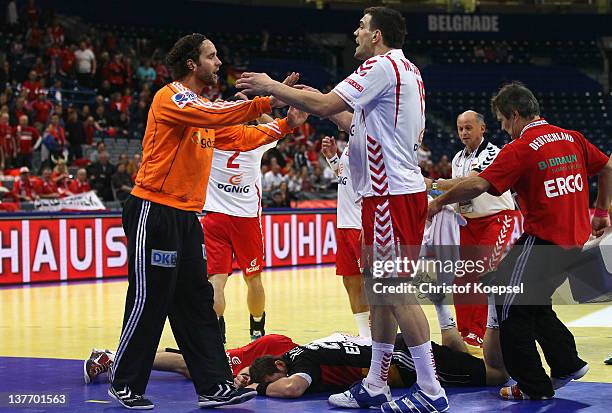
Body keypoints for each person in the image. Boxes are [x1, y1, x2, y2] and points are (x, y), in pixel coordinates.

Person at [237, 7, 448, 412]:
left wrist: (271, 86)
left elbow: (327, 105)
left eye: (362, 26)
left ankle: (431, 389)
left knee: (395, 291)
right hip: (384, 194)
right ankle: (376, 381)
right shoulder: (405, 70)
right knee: (379, 292)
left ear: (377, 36)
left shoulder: (380, 66)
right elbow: (348, 116)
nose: (356, 31)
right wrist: (312, 99)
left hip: (390, 194)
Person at [108, 33, 306, 410]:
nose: (218, 63)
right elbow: (217, 115)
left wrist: (285, 124)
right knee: (150, 297)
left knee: (197, 301)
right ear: (191, 64)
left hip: (185, 216)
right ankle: (124, 380)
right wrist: (270, 99)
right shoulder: (173, 98)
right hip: (154, 210)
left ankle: (215, 385)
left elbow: (239, 136)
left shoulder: (200, 109)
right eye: (211, 57)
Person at [427, 82, 611, 401]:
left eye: (501, 120)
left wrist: (437, 202)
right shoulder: (571, 137)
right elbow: (607, 166)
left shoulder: (521, 148)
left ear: (514, 115)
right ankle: (566, 363)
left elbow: (478, 186)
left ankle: (532, 385)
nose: (502, 128)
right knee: (532, 301)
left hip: (543, 240)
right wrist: (601, 212)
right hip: (575, 238)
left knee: (508, 302)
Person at [204, 89, 300, 343]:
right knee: (253, 277)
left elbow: (205, 117)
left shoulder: (210, 136)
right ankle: (257, 331)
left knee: (216, 280)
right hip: (245, 219)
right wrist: (254, 109)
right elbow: (278, 127)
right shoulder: (256, 136)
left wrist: (226, 110)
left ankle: (216, 335)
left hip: (214, 216)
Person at [426, 110, 518, 347]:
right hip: (468, 223)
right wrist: (427, 191)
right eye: (460, 128)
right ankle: (467, 332)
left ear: (482, 128)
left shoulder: (492, 153)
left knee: (482, 271)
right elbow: (455, 191)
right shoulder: (457, 158)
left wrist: (433, 184)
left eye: (468, 127)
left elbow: (468, 183)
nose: (464, 133)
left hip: (496, 219)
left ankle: (486, 332)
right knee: (462, 277)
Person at [243, 321, 508, 399]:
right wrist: (247, 376)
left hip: (404, 361)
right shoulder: (299, 353)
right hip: (396, 348)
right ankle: (444, 316)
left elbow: (292, 387)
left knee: (497, 375)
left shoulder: (301, 363)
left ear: (280, 366)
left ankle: (494, 314)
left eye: (274, 380)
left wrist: (260, 389)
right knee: (458, 359)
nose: (279, 384)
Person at [84, 334, 299, 384]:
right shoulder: (287, 351)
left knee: (189, 363)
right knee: (190, 365)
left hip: (267, 351)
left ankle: (114, 355)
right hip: (265, 350)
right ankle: (112, 358)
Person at [321, 135, 370, 338]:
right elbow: (347, 178)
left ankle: (382, 340)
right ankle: (365, 336)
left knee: (372, 285)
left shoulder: (369, 142)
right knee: (351, 282)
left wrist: (371, 223)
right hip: (344, 224)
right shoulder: (352, 142)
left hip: (361, 225)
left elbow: (377, 185)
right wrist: (333, 158)